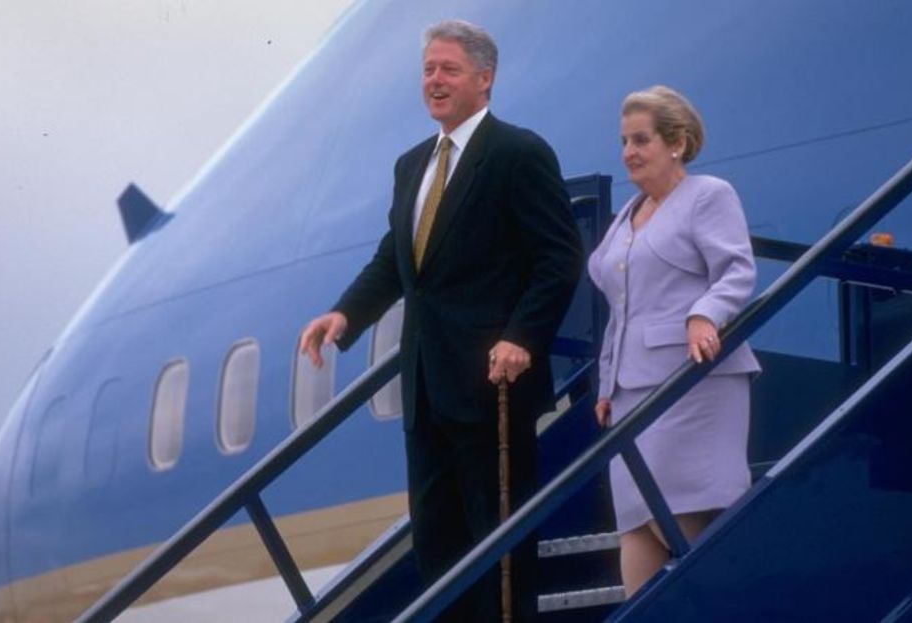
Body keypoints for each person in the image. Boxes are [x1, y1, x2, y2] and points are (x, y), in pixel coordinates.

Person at [299, 19, 583, 622]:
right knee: (437, 545)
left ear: (485, 78)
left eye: (449, 69)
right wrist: (345, 313)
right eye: (428, 69)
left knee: (499, 546)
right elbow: (395, 260)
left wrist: (522, 336)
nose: (435, 81)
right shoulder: (411, 166)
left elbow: (558, 259)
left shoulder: (517, 153)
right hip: (426, 388)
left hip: (493, 388)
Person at [587, 85, 762, 596]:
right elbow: (621, 308)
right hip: (630, 393)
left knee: (682, 517)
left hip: (691, 382)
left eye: (641, 140)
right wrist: (605, 382)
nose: (628, 153)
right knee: (637, 522)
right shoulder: (628, 213)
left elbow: (734, 270)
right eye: (624, 141)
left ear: (677, 143)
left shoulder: (708, 195)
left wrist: (703, 315)